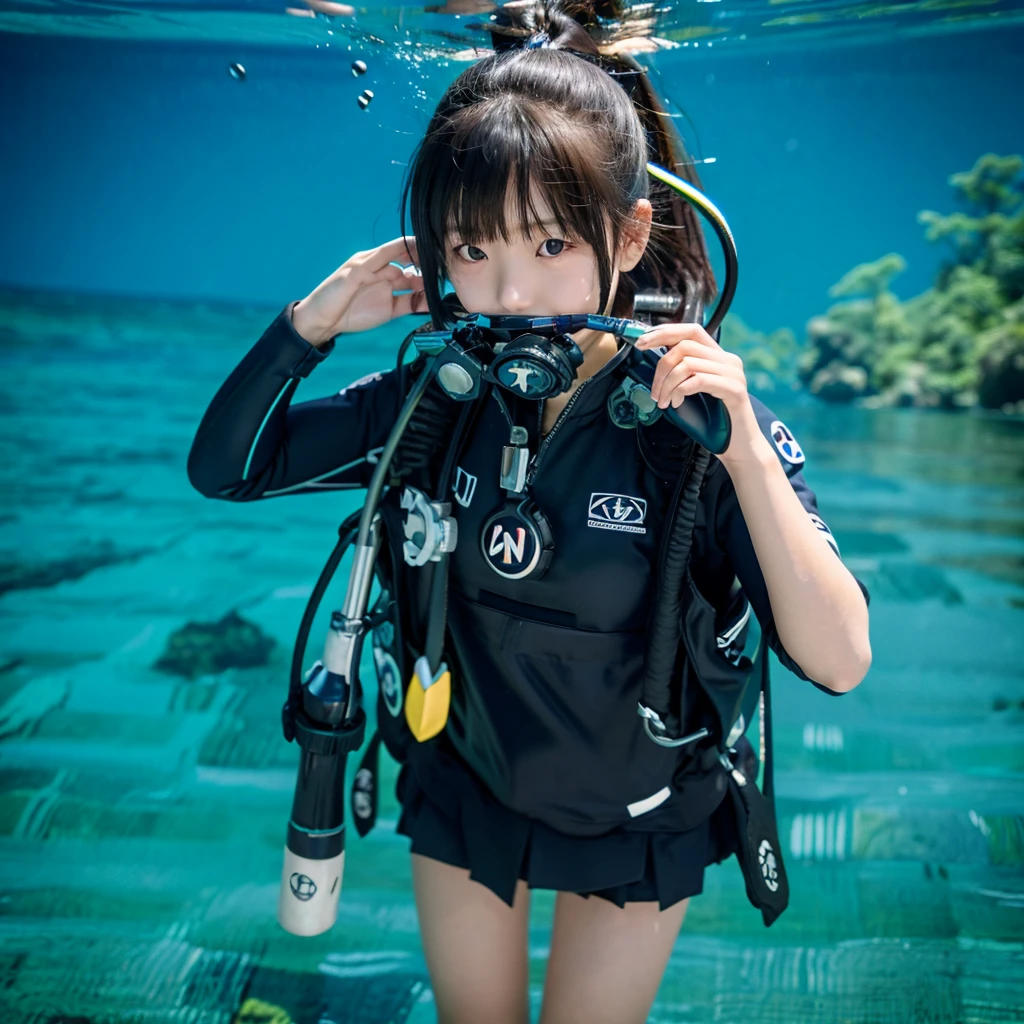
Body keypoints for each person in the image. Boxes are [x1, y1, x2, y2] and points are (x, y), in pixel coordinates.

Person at [187, 2, 872, 1021]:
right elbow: (229, 469)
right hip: (468, 786)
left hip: (644, 810)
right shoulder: (433, 402)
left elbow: (839, 658)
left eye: (551, 244)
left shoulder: (692, 420)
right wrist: (313, 320)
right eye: (470, 251)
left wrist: (745, 460)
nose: (507, 294)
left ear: (630, 235)